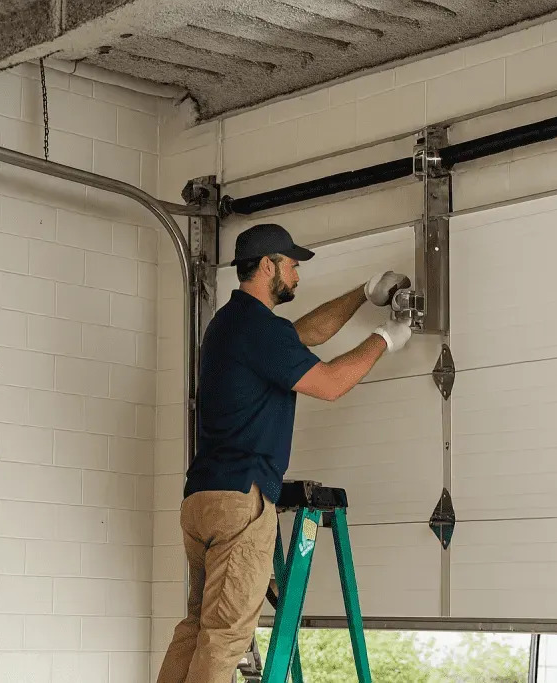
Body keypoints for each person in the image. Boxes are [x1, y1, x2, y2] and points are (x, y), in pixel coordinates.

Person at [156, 223, 414, 683]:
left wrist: (363, 292)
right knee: (224, 636)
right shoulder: (257, 329)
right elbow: (331, 384)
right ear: (269, 265)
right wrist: (386, 339)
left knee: (197, 629)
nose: (297, 274)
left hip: (202, 500)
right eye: (292, 265)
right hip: (241, 501)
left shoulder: (232, 324)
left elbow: (305, 333)